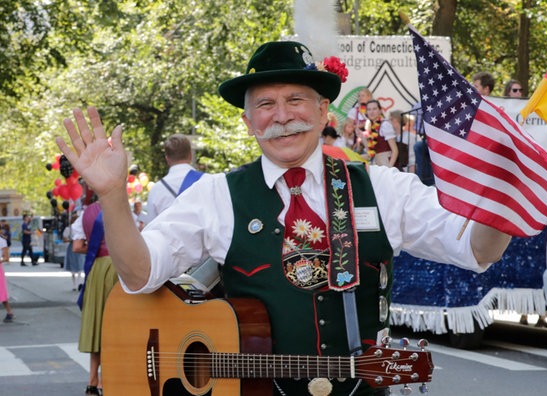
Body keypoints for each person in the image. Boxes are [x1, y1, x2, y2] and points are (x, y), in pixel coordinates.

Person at [57, 40, 512, 396]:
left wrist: (505, 199)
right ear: (248, 121)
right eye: (265, 104)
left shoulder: (383, 187)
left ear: (322, 112)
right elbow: (138, 276)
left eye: (296, 99)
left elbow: (477, 248)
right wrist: (113, 195)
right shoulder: (216, 196)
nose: (282, 116)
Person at [72, 200, 119, 396]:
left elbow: (76, 247)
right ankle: (108, 379)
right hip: (118, 268)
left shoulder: (84, 215)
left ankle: (92, 381)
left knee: (98, 324)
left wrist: (95, 247)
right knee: (115, 326)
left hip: (96, 268)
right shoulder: (121, 208)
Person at [141, 134, 201, 225]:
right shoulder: (208, 181)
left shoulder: (157, 190)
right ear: (190, 155)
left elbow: (150, 226)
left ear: (167, 158)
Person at [363, 99, 398, 168]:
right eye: (369, 109)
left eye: (374, 109)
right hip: (377, 163)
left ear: (380, 110)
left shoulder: (385, 125)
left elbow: (395, 150)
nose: (371, 112)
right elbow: (371, 151)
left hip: (386, 162)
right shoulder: (371, 127)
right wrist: (362, 137)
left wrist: (389, 168)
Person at [63, 211, 85, 291]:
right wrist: (70, 240)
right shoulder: (69, 229)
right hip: (72, 247)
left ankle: (78, 283)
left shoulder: (80, 228)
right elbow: (64, 239)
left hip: (79, 245)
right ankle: (74, 284)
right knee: (73, 266)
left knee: (80, 265)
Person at [0, 235, 14, 323]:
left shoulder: (2, 241)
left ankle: (9, 312)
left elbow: (6, 258)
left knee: (2, 293)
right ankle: (9, 313)